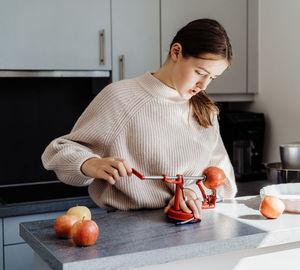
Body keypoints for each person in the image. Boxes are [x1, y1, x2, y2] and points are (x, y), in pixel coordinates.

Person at [42, 18, 237, 220]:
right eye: (200, 72)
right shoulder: (121, 97)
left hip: (191, 225)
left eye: (212, 78)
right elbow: (57, 152)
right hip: (128, 229)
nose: (204, 85)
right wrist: (90, 164)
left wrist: (190, 193)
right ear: (176, 52)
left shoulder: (205, 110)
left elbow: (223, 180)